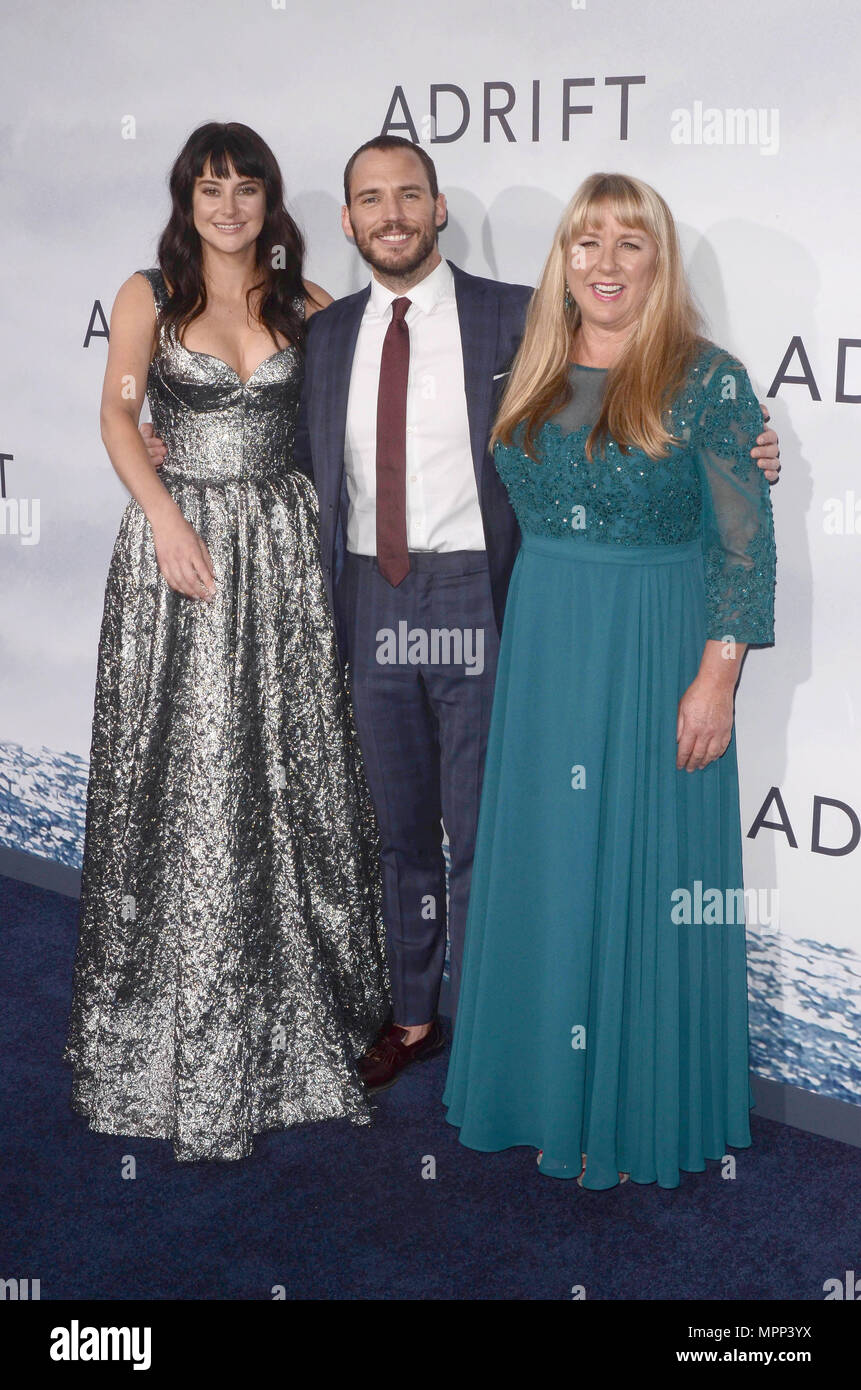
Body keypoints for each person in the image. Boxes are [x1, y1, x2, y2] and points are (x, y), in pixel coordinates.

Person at [143, 137, 781, 1098]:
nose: (390, 214)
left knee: (496, 830)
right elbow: (257, 426)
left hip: (487, 598)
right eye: (369, 199)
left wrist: (745, 450)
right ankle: (411, 1016)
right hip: (366, 594)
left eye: (409, 195)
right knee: (397, 829)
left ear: (439, 210)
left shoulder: (514, 320)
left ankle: (492, 1027)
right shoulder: (321, 329)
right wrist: (166, 433)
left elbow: (642, 410)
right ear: (348, 222)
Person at [442, 172, 777, 1191]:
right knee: (550, 865)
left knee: (643, 871)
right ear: (562, 260)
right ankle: (540, 1095)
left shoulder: (708, 379)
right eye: (587, 242)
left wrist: (716, 678)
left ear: (659, 262)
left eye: (631, 243)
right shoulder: (530, 367)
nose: (606, 263)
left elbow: (742, 548)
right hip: (547, 645)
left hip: (653, 647)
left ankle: (633, 1108)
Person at [64, 122, 390, 1163]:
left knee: (282, 772)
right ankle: (164, 1026)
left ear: (271, 201)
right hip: (181, 555)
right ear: (186, 198)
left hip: (284, 561)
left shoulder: (312, 308)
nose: (229, 206)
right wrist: (163, 512)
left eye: (247, 188)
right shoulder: (144, 298)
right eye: (211, 188)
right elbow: (120, 416)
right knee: (187, 778)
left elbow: (402, 403)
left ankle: (298, 1016)